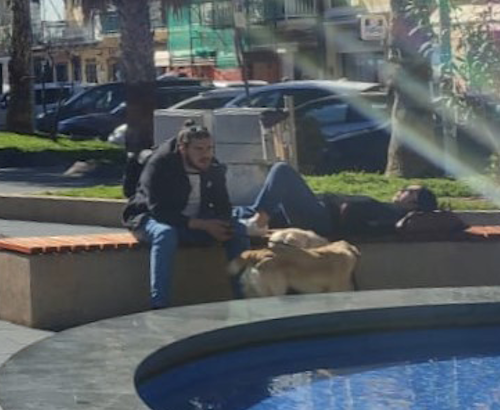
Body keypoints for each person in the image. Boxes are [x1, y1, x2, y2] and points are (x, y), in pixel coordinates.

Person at [123, 121, 251, 308]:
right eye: (199, 149)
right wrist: (205, 225)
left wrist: (221, 223)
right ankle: (159, 305)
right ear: (183, 149)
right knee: (165, 234)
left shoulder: (212, 166)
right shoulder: (161, 164)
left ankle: (244, 301)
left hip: (195, 220)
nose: (206, 154)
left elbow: (223, 205)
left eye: (209, 148)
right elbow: (159, 211)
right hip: (149, 218)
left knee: (238, 231)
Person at [237, 163, 441, 240]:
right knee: (240, 213)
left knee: (282, 171)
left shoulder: (394, 215)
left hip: (321, 219)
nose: (401, 190)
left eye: (408, 191)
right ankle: (250, 220)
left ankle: (258, 221)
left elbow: (363, 225)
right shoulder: (389, 209)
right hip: (319, 209)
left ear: (414, 203)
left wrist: (347, 209)